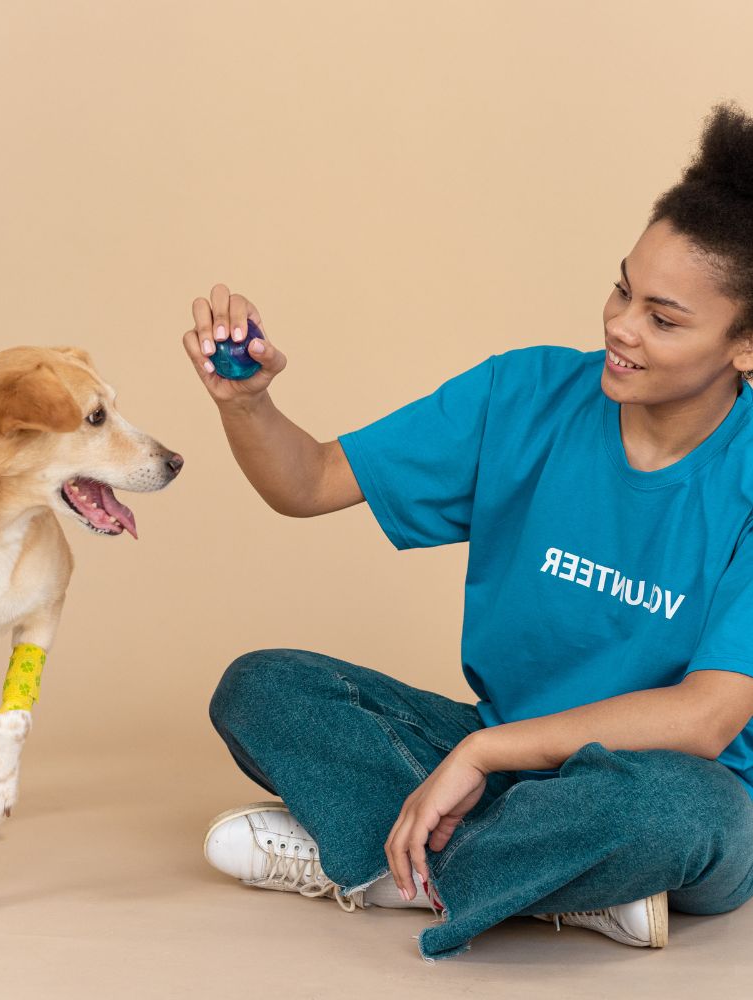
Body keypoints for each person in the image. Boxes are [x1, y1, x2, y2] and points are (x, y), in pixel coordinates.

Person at [184, 100, 753, 962]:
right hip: (501, 758)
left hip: (665, 783)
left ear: (745, 346)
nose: (619, 326)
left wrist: (486, 750)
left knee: (676, 814)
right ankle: (554, 884)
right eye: (622, 288)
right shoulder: (522, 396)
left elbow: (708, 717)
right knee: (261, 689)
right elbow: (308, 482)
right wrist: (249, 403)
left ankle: (378, 862)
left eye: (664, 320)